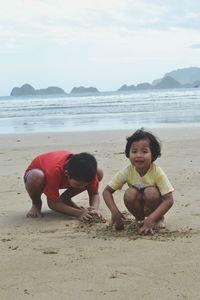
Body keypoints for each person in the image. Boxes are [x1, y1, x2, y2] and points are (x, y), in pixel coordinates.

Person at [103, 129, 174, 234]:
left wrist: (151, 219)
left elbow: (169, 200)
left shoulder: (157, 172)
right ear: (128, 154)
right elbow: (107, 191)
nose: (139, 155)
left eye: (144, 152)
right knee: (129, 193)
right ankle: (139, 219)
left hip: (154, 203)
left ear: (153, 155)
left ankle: (157, 218)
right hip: (138, 203)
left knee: (150, 192)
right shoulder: (127, 171)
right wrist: (115, 212)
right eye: (134, 151)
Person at [24, 151, 103, 221]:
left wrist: (94, 209)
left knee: (99, 172)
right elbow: (53, 203)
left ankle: (65, 198)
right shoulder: (54, 171)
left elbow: (94, 194)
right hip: (38, 175)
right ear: (66, 174)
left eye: (86, 184)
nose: (83, 187)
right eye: (78, 184)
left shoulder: (88, 171)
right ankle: (36, 203)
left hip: (61, 177)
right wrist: (79, 213)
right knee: (36, 176)